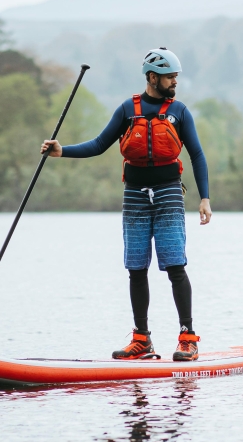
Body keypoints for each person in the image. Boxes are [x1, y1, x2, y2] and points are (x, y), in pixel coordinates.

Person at [41, 48, 211, 362]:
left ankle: (188, 338)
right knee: (135, 268)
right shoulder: (126, 110)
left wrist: (204, 198)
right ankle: (141, 340)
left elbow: (197, 155)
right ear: (152, 77)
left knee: (175, 264)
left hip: (169, 193)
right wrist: (61, 151)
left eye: (176, 76)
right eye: (170, 76)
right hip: (134, 194)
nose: (175, 81)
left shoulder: (180, 112)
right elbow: (98, 144)